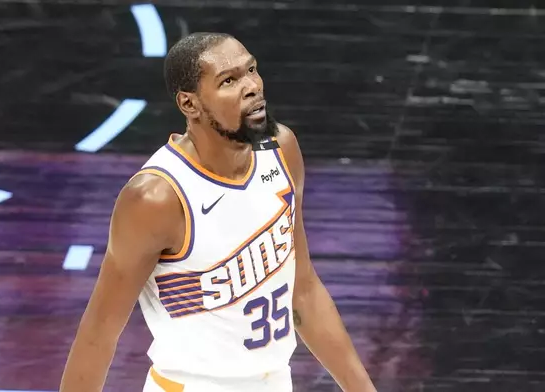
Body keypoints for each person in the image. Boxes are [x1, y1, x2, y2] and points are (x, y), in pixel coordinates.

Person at [59, 32, 376, 392]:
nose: (252, 86)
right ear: (189, 104)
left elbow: (301, 289)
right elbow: (99, 333)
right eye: (229, 80)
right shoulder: (156, 198)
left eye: (251, 70)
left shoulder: (281, 149)